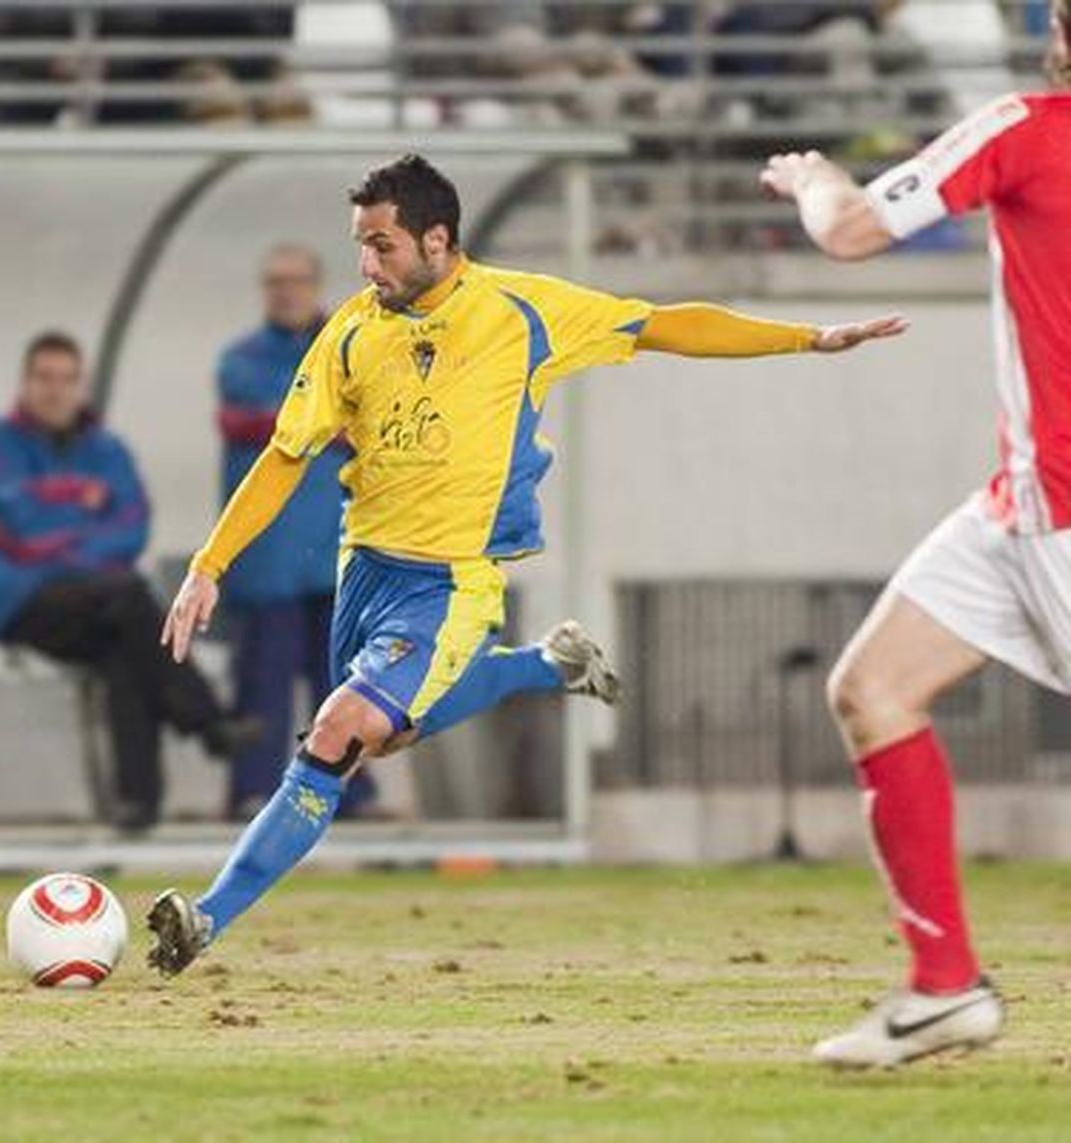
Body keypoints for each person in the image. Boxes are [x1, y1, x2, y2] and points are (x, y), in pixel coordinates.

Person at [146, 153, 906, 977]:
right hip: (363, 567)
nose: (367, 265)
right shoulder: (354, 330)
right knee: (381, 737)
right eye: (360, 246)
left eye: (383, 245)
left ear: (438, 239)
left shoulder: (523, 309)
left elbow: (663, 324)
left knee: (338, 732)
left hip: (453, 581)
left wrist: (806, 338)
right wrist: (209, 564)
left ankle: (206, 916)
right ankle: (551, 663)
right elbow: (286, 453)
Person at [756, 0, 1071, 1072]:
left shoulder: (1026, 127)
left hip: (1062, 514)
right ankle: (943, 991)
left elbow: (849, 232)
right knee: (872, 688)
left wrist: (809, 177)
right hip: (1016, 508)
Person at [0, 331, 256, 834]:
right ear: (26, 383)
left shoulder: (108, 447)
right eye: (44, 379)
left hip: (102, 605)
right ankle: (205, 719)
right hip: (26, 602)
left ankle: (136, 808)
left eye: (66, 380)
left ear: (81, 386)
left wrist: (57, 516)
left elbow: (131, 527)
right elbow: (14, 527)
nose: (55, 391)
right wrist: (80, 502)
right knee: (130, 596)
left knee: (125, 654)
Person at [215, 245, 376, 820]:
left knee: (346, 682)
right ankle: (254, 793)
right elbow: (287, 419)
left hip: (339, 550)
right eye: (275, 281)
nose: (286, 291)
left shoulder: (352, 347)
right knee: (263, 682)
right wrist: (334, 422)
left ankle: (349, 793)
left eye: (296, 280)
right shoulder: (241, 362)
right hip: (269, 557)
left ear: (316, 284)